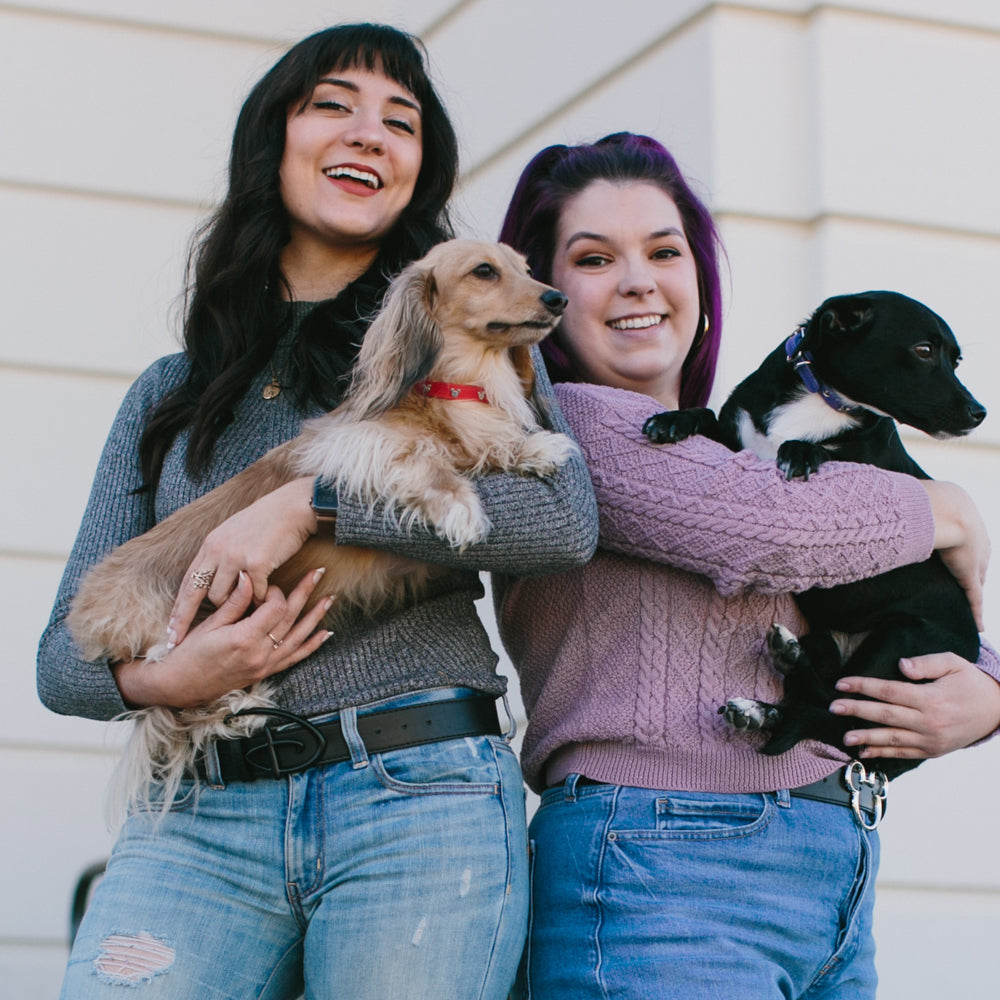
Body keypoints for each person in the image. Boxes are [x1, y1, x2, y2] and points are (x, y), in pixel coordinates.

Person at [37, 24, 596, 1000]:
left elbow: (561, 527)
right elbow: (59, 663)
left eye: (401, 119)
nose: (369, 134)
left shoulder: (477, 335)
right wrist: (171, 674)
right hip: (200, 816)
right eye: (334, 103)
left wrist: (317, 503)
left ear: (419, 169)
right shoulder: (172, 392)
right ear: (274, 141)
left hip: (418, 790)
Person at [495, 132, 1000, 999]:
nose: (639, 280)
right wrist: (944, 508)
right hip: (658, 869)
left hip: (831, 860)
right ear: (543, 293)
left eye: (664, 250)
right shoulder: (564, 432)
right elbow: (765, 532)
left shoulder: (738, 434)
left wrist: (986, 690)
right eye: (593, 258)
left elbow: (874, 577)